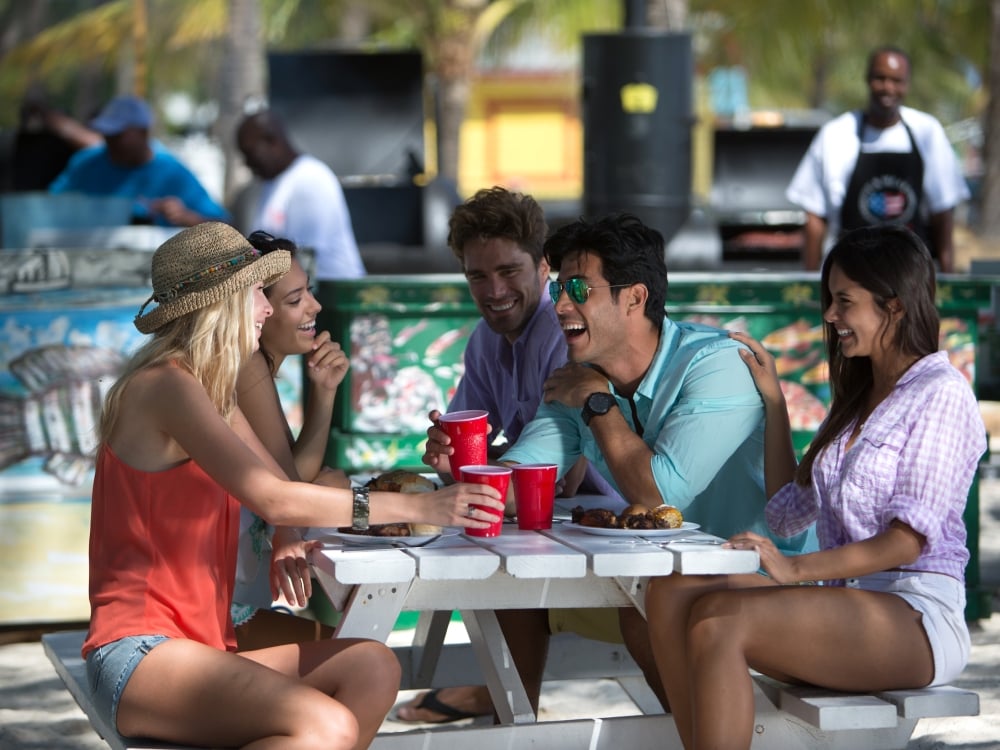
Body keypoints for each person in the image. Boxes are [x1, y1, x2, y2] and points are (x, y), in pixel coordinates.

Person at [83, 221, 505, 747]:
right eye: (258, 294)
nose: (265, 308)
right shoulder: (166, 385)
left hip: (204, 643)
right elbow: (274, 497)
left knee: (373, 666)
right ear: (223, 304)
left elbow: (283, 486)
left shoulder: (206, 390)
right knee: (325, 723)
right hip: (140, 653)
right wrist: (428, 506)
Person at [422, 212, 814, 718]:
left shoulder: (717, 365)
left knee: (648, 616)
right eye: (561, 287)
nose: (561, 304)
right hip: (661, 581)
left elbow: (661, 496)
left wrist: (598, 407)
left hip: (772, 583)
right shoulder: (580, 380)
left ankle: (696, 735)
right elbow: (518, 483)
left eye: (579, 289)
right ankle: (520, 728)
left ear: (634, 298)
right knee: (513, 590)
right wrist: (463, 470)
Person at [644, 225, 985, 750]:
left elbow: (906, 542)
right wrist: (775, 402)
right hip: (846, 607)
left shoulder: (942, 394)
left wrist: (795, 568)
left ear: (893, 306)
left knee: (720, 622)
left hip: (916, 616)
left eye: (844, 302)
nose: (830, 316)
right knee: (669, 595)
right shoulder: (862, 398)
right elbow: (784, 514)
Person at [396, 186, 615, 723]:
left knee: (488, 551)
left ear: (545, 268)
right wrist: (446, 455)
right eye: (477, 276)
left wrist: (463, 478)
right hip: (556, 528)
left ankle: (506, 703)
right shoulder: (483, 342)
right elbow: (464, 451)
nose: (493, 290)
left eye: (508, 271)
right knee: (486, 546)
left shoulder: (564, 335)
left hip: (614, 528)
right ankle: (509, 707)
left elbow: (553, 476)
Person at [231, 230, 351, 650]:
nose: (314, 307)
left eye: (310, 293)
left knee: (334, 485)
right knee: (353, 655)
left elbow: (293, 476)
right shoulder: (245, 363)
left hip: (234, 598)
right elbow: (291, 487)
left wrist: (325, 391)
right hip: (219, 614)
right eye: (294, 299)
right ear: (255, 310)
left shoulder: (254, 364)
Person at [786, 46, 970, 272]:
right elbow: (815, 216)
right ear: (867, 79)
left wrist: (947, 277)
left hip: (910, 275)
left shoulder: (927, 132)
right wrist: (812, 282)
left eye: (897, 80)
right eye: (880, 78)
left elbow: (943, 214)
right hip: (850, 274)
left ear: (907, 84)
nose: (888, 87)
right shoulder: (835, 134)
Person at [49, 95, 229, 227]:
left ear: (143, 132)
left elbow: (225, 225)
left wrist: (185, 217)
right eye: (108, 134)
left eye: (119, 134)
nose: (112, 141)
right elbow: (49, 206)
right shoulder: (86, 163)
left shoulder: (172, 173)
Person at [236, 109, 366, 281]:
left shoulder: (310, 179)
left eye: (250, 153)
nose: (247, 163)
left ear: (271, 141)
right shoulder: (271, 184)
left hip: (331, 296)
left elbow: (302, 261)